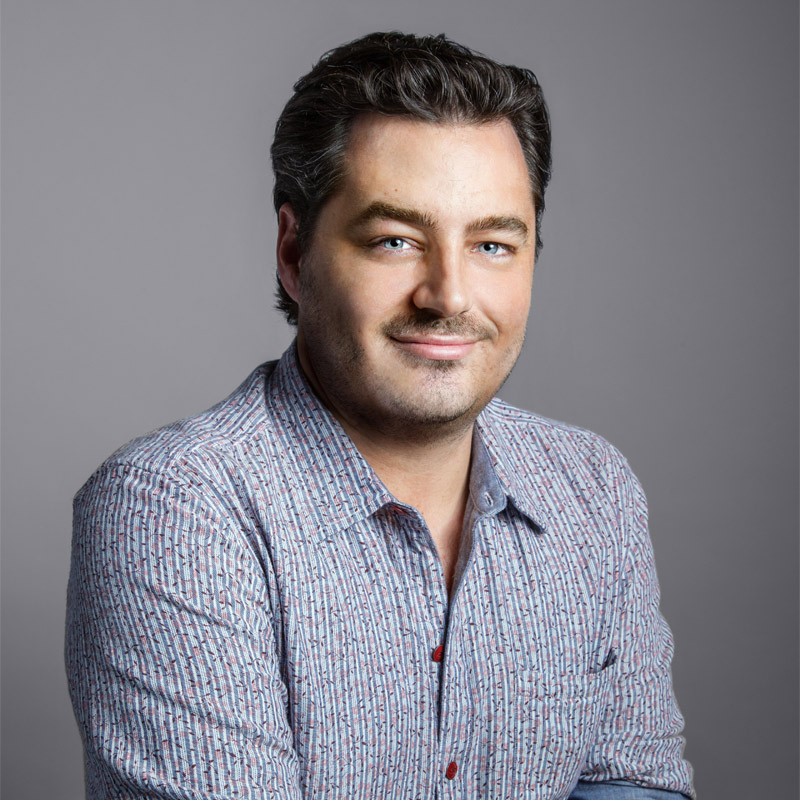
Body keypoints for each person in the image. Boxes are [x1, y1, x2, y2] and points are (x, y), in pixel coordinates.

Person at [65, 31, 695, 800]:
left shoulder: (594, 488)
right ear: (294, 254)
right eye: (395, 240)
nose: (448, 295)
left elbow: (634, 782)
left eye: (493, 245)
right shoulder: (178, 510)